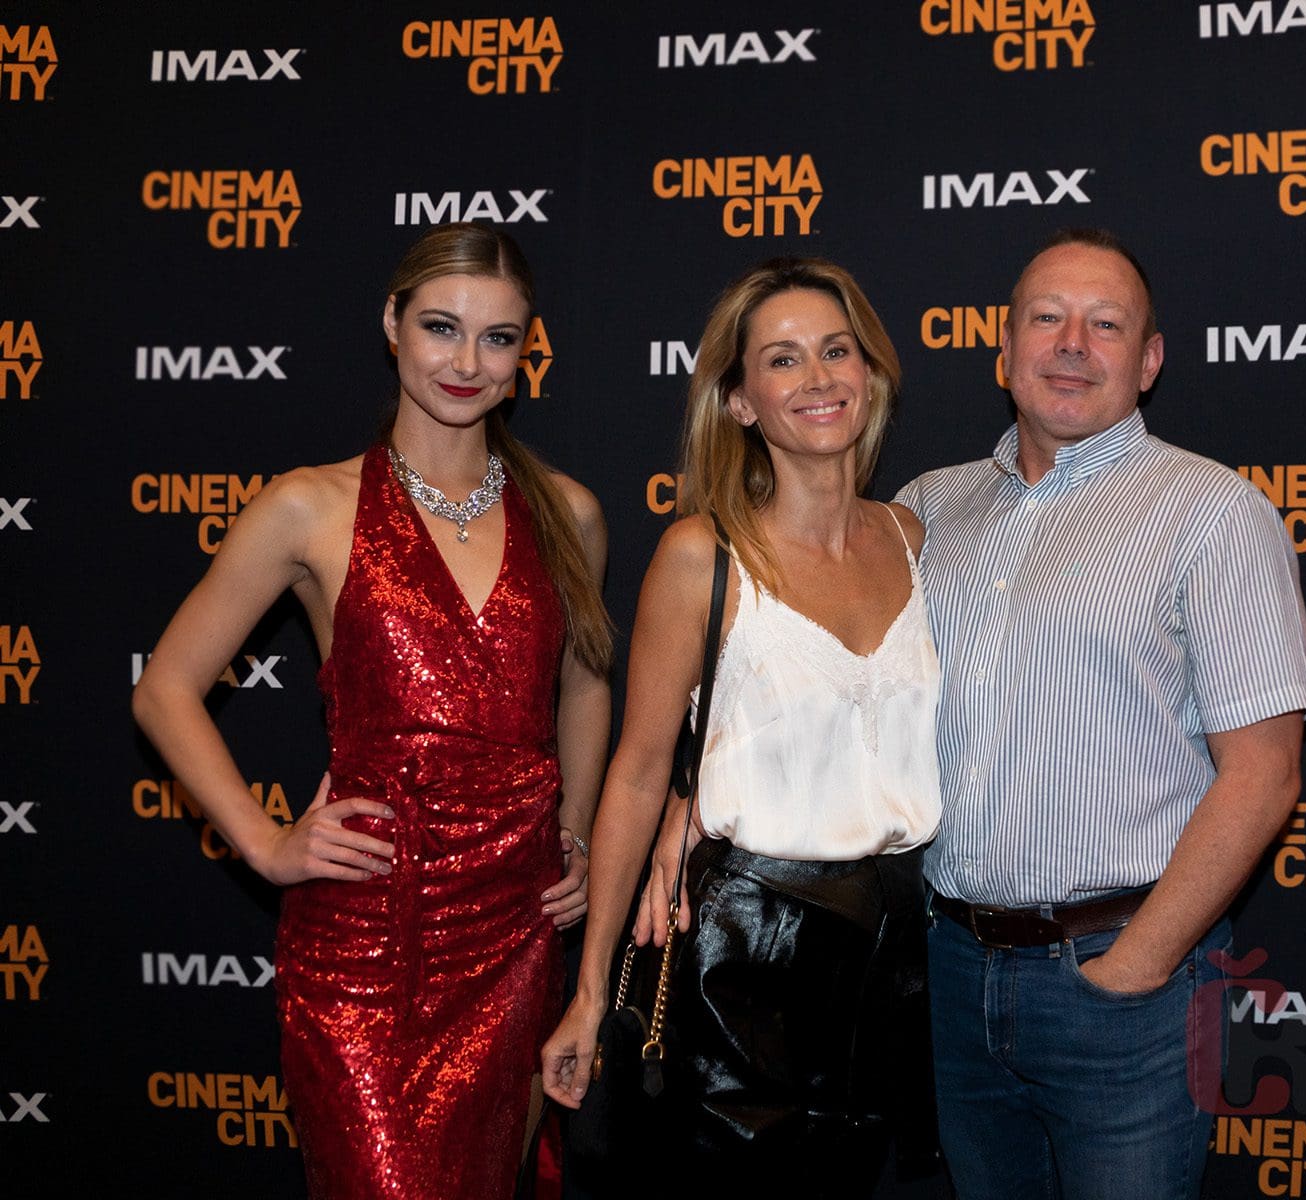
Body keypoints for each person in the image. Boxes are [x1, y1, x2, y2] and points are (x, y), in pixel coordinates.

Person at [132, 222, 613, 1199]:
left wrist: (574, 834)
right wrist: (266, 844)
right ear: (392, 324)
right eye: (441, 327)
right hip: (366, 942)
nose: (466, 363)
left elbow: (586, 682)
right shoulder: (308, 506)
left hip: (515, 933)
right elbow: (165, 688)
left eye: (497, 338)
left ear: (526, 351)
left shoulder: (569, 512)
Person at [894, 228, 1306, 1199]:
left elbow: (1265, 774)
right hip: (950, 972)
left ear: (1149, 360)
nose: (1072, 344)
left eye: (1106, 324)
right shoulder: (926, 508)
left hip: (1124, 986)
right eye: (1047, 318)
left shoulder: (1212, 512)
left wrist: (1139, 964)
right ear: (1004, 349)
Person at [541, 258, 940, 1193]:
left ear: (870, 372)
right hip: (742, 954)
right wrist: (591, 990)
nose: (817, 379)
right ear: (740, 401)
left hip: (892, 956)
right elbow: (638, 771)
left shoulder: (914, 537)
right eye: (783, 359)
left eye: (836, 351)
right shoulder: (701, 554)